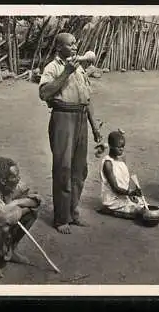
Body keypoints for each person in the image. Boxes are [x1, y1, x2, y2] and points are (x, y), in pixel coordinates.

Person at [39, 33, 103, 234]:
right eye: (71, 44)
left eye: (76, 43)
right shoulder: (53, 67)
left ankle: (72, 212)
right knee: (63, 169)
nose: (76, 47)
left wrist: (95, 129)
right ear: (59, 47)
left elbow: (87, 100)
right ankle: (60, 219)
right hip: (63, 119)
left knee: (79, 169)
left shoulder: (80, 68)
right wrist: (66, 72)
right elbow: (44, 93)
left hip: (81, 119)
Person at [98, 130, 145, 219]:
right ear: (111, 146)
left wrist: (131, 195)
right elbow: (115, 188)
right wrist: (130, 193)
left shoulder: (122, 159)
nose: (121, 149)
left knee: (144, 206)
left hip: (123, 195)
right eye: (118, 147)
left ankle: (123, 208)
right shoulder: (108, 164)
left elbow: (124, 182)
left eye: (123, 147)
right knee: (139, 213)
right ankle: (110, 210)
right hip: (113, 199)